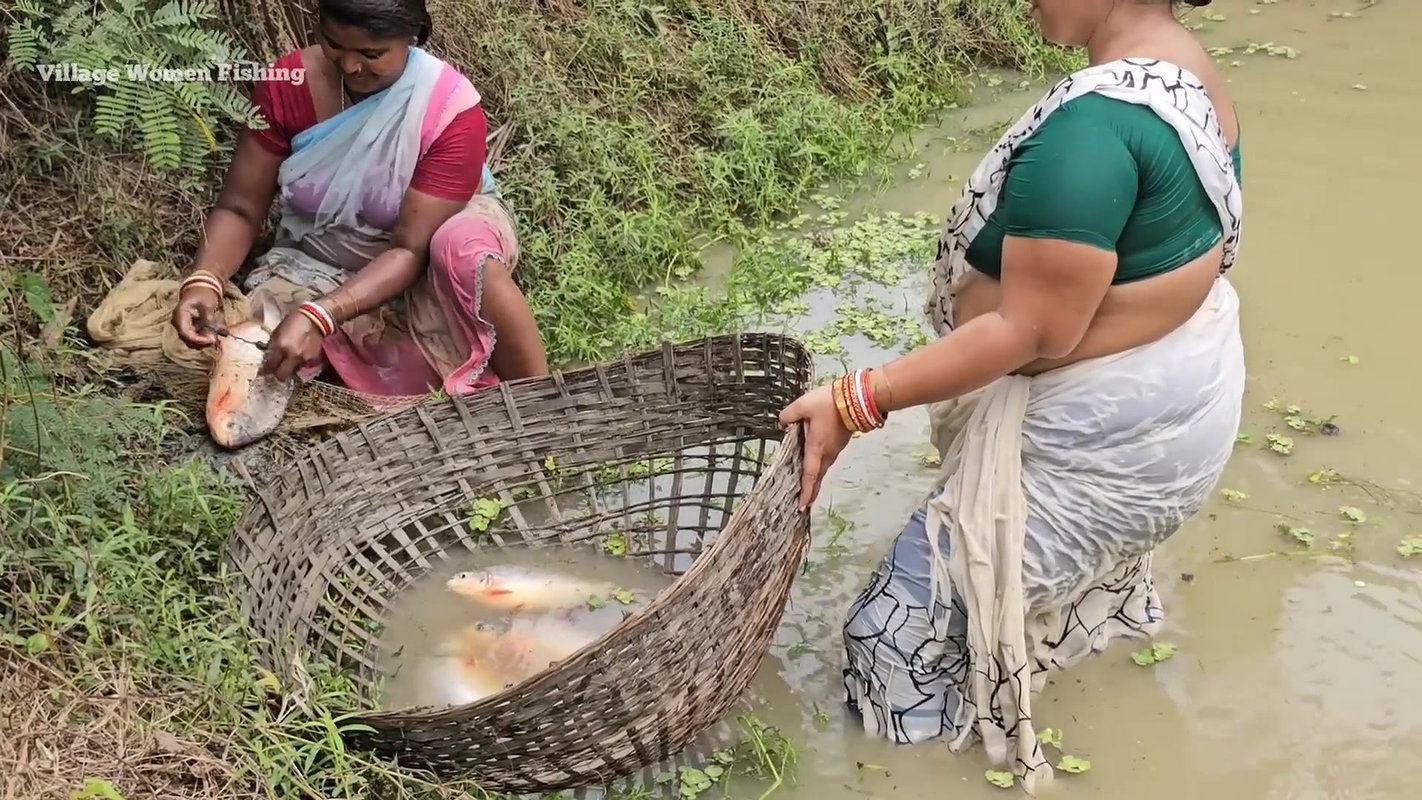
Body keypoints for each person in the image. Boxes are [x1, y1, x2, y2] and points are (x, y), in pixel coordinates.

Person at [778, 0, 1242, 791]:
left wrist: (860, 397)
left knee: (889, 634)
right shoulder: (1188, 69)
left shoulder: (1096, 129)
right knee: (1007, 585)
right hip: (1168, 421)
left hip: (1097, 452)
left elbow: (1034, 331)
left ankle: (908, 773)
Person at [170, 0, 549, 400]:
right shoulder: (289, 84)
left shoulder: (448, 109)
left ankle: (540, 401)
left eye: (371, 54)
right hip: (324, 256)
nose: (350, 66)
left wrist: (322, 313)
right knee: (256, 346)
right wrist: (204, 281)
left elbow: (409, 249)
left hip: (425, 253)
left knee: (460, 250)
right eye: (334, 45)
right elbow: (240, 208)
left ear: (413, 37)